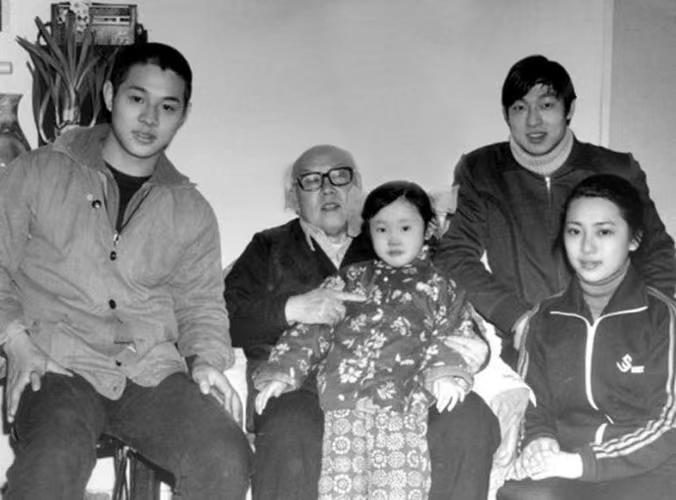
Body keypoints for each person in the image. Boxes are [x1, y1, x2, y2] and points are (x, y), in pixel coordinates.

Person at [0, 42, 251, 499]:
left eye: (167, 106)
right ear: (111, 94)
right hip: (56, 363)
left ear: (183, 115)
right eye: (137, 98)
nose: (150, 118)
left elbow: (201, 306)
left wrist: (206, 362)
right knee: (52, 461)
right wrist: (16, 344)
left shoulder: (192, 210)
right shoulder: (36, 172)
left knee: (224, 453)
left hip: (148, 372)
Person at [224, 144, 500, 500]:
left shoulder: (391, 241)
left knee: (471, 419)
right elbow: (225, 317)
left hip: (404, 380)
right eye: (312, 180)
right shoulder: (268, 246)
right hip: (299, 386)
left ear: (357, 188)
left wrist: (468, 356)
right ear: (293, 197)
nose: (328, 189)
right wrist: (294, 308)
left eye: (340, 176)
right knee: (290, 429)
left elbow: (455, 313)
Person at [435, 54, 676, 366]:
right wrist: (516, 317)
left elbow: (657, 253)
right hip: (524, 343)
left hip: (613, 343)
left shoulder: (617, 169)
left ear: (569, 109)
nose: (533, 121)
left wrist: (645, 320)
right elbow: (454, 256)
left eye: (546, 105)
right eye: (520, 108)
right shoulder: (481, 171)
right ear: (506, 114)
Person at [498, 174, 676, 500]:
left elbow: (669, 424)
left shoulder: (662, 317)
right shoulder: (544, 317)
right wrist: (538, 440)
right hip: (566, 462)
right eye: (575, 231)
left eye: (604, 232)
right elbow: (532, 403)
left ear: (634, 239)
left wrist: (583, 464)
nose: (587, 247)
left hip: (646, 467)